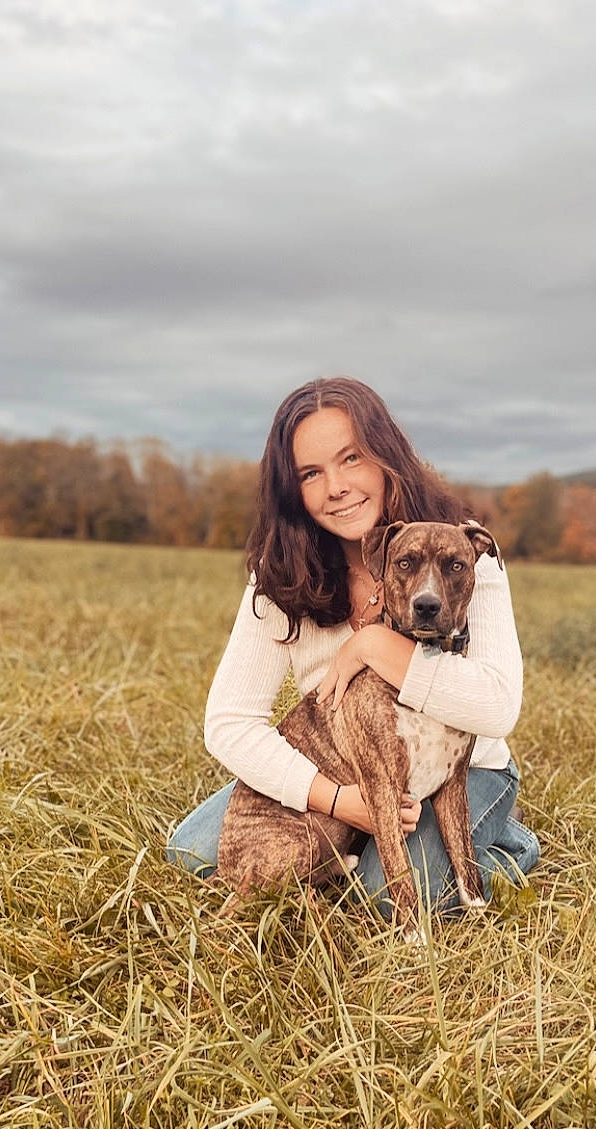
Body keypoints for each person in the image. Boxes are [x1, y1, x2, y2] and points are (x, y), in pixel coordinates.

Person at [166, 376, 540, 913]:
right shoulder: (282, 577)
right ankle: (357, 844)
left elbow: (497, 706)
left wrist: (373, 646)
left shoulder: (462, 555)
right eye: (311, 473)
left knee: (386, 899)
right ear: (291, 491)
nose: (336, 486)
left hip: (456, 770)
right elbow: (229, 723)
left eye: (352, 459)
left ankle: (505, 844)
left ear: (386, 457)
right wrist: (340, 802)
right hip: (345, 770)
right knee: (194, 853)